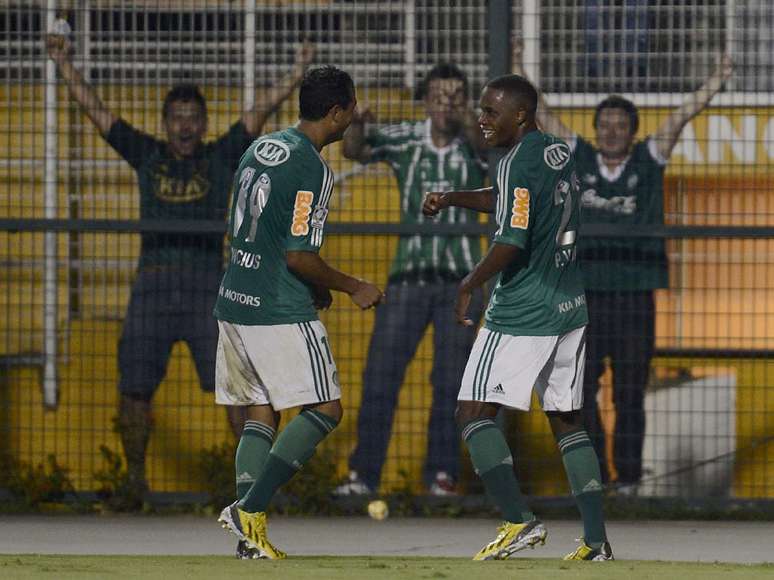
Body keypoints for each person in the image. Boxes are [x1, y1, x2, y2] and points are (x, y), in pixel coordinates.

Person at [46, 31, 315, 501]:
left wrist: (297, 74)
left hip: (207, 287)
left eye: (193, 118)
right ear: (166, 123)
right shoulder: (148, 155)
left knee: (240, 387)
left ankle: (255, 487)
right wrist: (63, 62)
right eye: (177, 118)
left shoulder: (221, 156)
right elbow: (99, 114)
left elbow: (257, 116)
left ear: (204, 122)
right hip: (151, 284)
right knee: (134, 389)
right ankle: (134, 482)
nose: (185, 127)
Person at [513, 42, 733, 490]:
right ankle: (594, 475)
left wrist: (715, 80)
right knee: (582, 390)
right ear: (595, 131)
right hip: (586, 295)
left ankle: (629, 481)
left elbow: (680, 118)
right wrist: (519, 66)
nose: (612, 132)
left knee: (631, 391)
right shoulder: (579, 157)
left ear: (633, 131)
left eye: (621, 125)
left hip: (635, 295)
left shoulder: (648, 161)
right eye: (605, 125)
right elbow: (544, 115)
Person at [423, 73, 612, 561]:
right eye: (481, 110)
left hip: (524, 309)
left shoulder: (514, 161)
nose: (481, 119)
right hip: (570, 305)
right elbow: (511, 202)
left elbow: (513, 238)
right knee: (567, 419)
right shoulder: (556, 152)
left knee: (471, 411)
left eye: (490, 111)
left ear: (521, 115)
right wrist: (452, 197)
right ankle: (596, 542)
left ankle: (518, 521)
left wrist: (470, 283)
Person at [215, 65, 383, 559]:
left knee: (260, 413)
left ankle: (250, 542)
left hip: (234, 298)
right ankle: (249, 506)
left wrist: (316, 285)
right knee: (326, 408)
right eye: (351, 108)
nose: (353, 116)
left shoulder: (262, 147)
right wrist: (353, 285)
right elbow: (298, 255)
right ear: (336, 113)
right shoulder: (313, 168)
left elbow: (257, 227)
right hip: (276, 308)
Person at [336, 63, 487, 497]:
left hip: (461, 282)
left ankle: (441, 476)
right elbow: (352, 151)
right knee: (381, 374)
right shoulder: (405, 138)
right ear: (424, 100)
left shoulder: (474, 143)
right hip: (408, 278)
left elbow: (489, 151)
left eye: (456, 95)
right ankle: (363, 476)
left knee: (451, 382)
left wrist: (466, 121)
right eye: (439, 95)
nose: (447, 102)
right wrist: (358, 127)